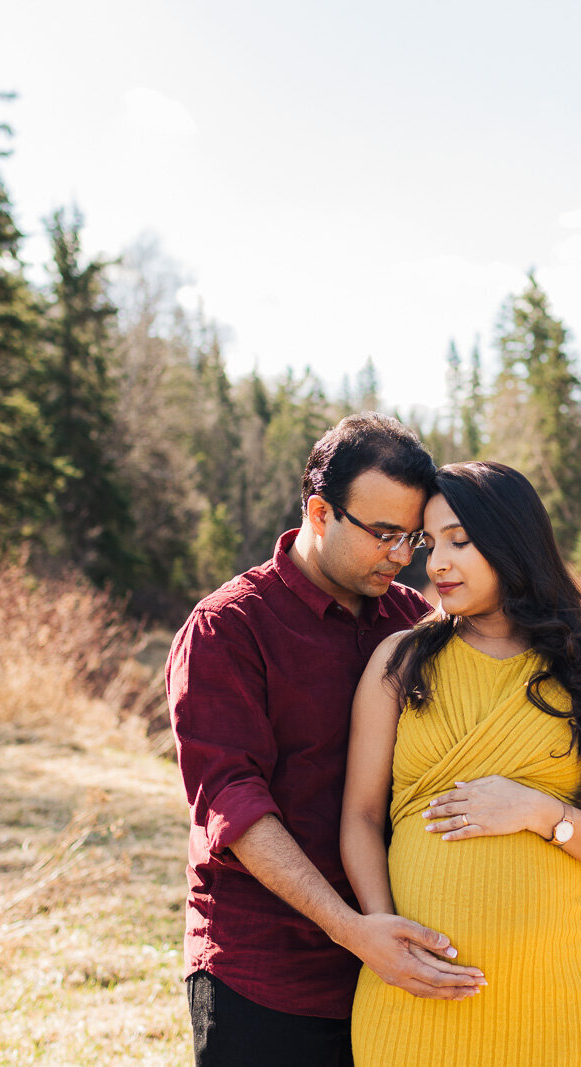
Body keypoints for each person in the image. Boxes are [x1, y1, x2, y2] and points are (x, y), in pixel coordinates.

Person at [167, 413, 487, 1067]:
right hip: (264, 978)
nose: (402, 556)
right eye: (384, 534)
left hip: (391, 975)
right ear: (319, 511)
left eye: (413, 539)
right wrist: (352, 929)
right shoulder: (227, 629)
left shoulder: (413, 622)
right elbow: (235, 806)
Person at [341, 460, 581, 1067]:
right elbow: (359, 816)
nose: (435, 564)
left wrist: (542, 813)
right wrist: (385, 935)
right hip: (414, 996)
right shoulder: (399, 663)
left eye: (459, 540)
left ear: (512, 541)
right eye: (430, 545)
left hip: (555, 1002)